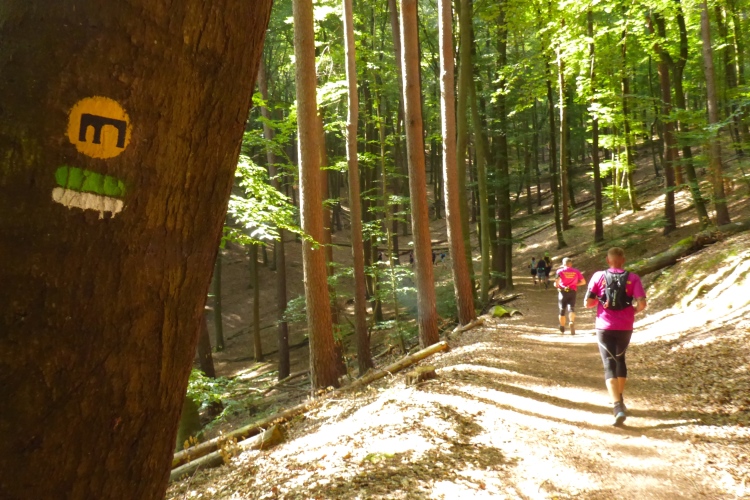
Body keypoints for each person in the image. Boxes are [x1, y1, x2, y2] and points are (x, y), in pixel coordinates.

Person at [585, 247, 647, 426]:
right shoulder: (633, 278)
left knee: (609, 363)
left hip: (604, 326)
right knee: (620, 360)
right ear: (623, 260)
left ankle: (617, 406)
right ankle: (620, 400)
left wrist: (601, 301)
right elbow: (642, 303)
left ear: (608, 260)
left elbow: (588, 303)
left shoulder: (598, 276)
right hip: (625, 326)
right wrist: (632, 311)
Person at [554, 257, 586, 335]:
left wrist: (556, 285)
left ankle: (562, 326)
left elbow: (556, 282)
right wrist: (575, 284)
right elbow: (583, 282)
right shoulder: (576, 271)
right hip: (572, 291)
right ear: (571, 264)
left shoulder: (559, 271)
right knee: (571, 308)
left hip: (563, 292)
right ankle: (571, 321)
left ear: (563, 264)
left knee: (562, 309)